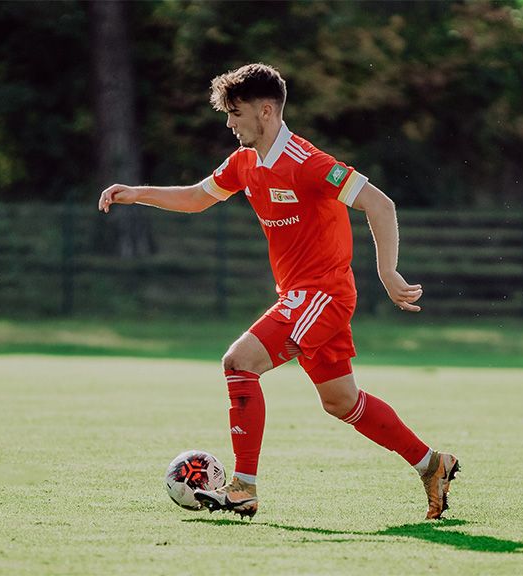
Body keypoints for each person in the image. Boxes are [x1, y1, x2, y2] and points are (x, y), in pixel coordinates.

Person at [98, 63, 458, 520]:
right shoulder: (245, 163)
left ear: (265, 111)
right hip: (301, 297)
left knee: (239, 362)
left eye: (235, 113)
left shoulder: (308, 164)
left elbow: (379, 203)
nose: (229, 123)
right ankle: (432, 464)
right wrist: (136, 193)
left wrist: (387, 271)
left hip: (322, 295)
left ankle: (243, 487)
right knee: (341, 401)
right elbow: (195, 198)